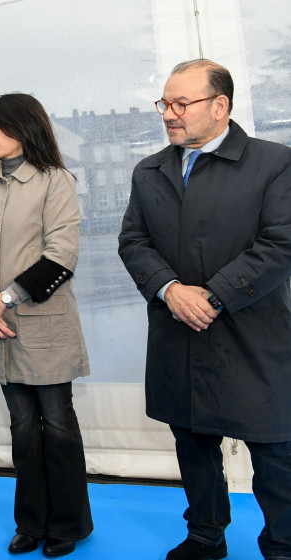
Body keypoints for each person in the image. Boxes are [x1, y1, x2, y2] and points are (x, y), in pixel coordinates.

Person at [118, 59, 291, 560]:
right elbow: (133, 242)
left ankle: (283, 547)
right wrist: (170, 290)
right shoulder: (149, 171)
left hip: (252, 333)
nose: (168, 114)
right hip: (178, 331)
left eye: (181, 104)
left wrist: (212, 296)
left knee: (276, 451)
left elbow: (280, 244)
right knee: (193, 444)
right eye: (164, 104)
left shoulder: (275, 162)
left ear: (220, 106)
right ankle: (205, 536)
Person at [0, 93, 93, 557]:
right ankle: (30, 522)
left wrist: (2, 301)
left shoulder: (56, 181)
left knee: (58, 425)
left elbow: (61, 255)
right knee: (23, 427)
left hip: (43, 327)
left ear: (24, 128)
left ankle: (68, 524)